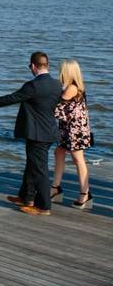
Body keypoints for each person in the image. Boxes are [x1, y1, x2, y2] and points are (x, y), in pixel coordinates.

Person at [0, 51, 62, 215]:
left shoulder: (33, 86)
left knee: (40, 169)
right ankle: (26, 197)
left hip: (37, 134)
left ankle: (44, 206)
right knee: (32, 164)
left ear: (33, 66)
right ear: (47, 65)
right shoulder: (57, 85)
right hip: (49, 131)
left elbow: (11, 98)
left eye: (30, 66)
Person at [51, 60, 94, 209]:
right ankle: (55, 188)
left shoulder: (71, 88)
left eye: (61, 71)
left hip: (75, 130)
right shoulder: (75, 86)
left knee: (78, 159)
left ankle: (85, 193)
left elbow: (54, 105)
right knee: (59, 152)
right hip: (69, 128)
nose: (59, 74)